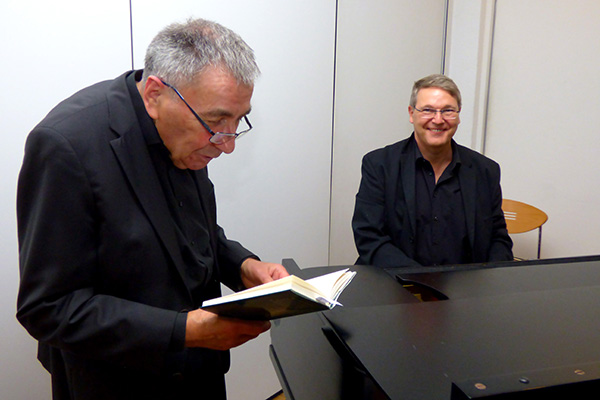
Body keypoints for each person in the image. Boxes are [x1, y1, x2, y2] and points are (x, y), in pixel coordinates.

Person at [16, 18, 289, 400]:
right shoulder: (66, 146)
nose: (227, 144)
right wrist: (184, 330)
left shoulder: (191, 133)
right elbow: (49, 307)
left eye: (237, 120)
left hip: (199, 368)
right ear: (155, 95)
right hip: (117, 380)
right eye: (215, 122)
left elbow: (190, 230)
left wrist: (243, 266)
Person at [352, 74, 513, 269]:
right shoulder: (379, 165)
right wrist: (420, 283)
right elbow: (369, 237)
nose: (438, 120)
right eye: (428, 110)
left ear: (458, 115)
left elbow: (498, 238)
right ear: (411, 114)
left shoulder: (485, 170)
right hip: (395, 285)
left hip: (464, 290)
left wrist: (489, 284)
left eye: (448, 111)